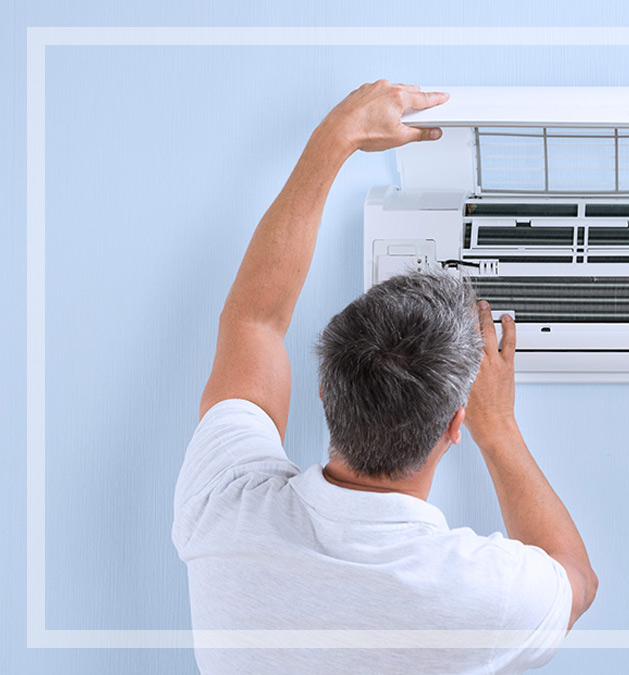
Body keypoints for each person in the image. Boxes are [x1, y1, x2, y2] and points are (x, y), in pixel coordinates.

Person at [171, 80, 597, 674]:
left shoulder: (225, 508)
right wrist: (497, 427)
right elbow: (573, 577)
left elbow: (255, 320)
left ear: (326, 393)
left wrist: (335, 136)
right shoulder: (485, 595)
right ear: (454, 425)